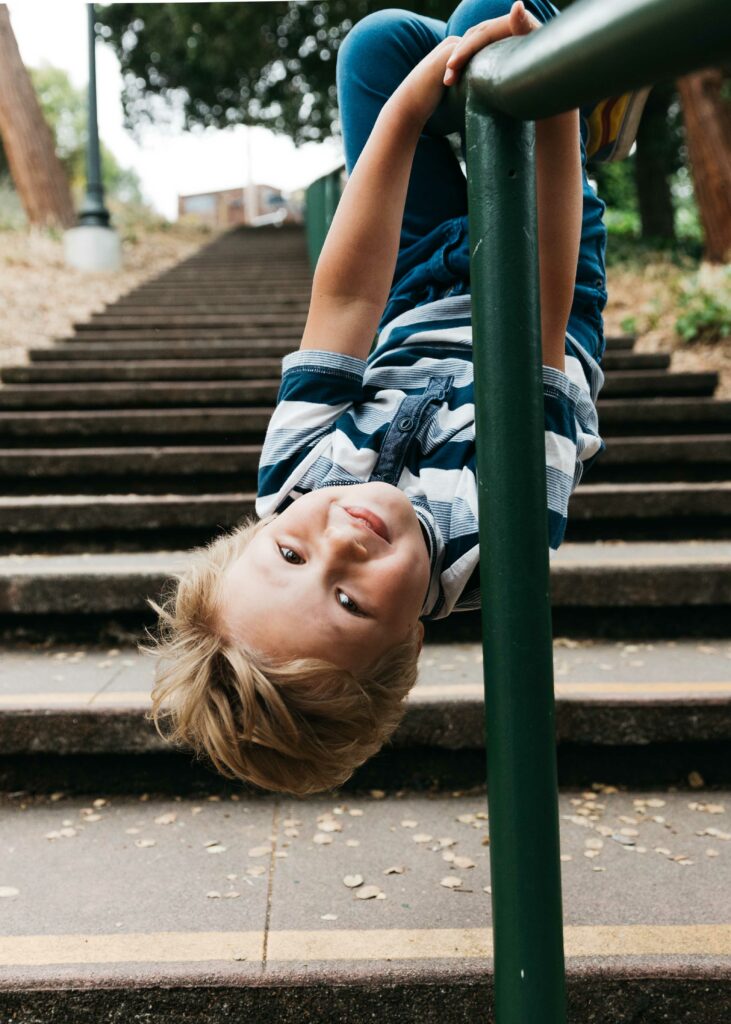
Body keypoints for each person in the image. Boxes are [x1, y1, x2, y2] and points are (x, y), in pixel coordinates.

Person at [146, 0, 648, 796]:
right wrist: (548, 103)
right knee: (496, 14)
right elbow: (541, 302)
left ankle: (538, 86)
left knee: (379, 49)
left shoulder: (293, 481)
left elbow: (346, 299)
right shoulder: (503, 536)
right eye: (345, 600)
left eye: (287, 554)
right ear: (406, 643)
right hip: (537, 275)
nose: (336, 545)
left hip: (411, 288)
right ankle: (587, 109)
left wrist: (408, 105)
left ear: (255, 533)